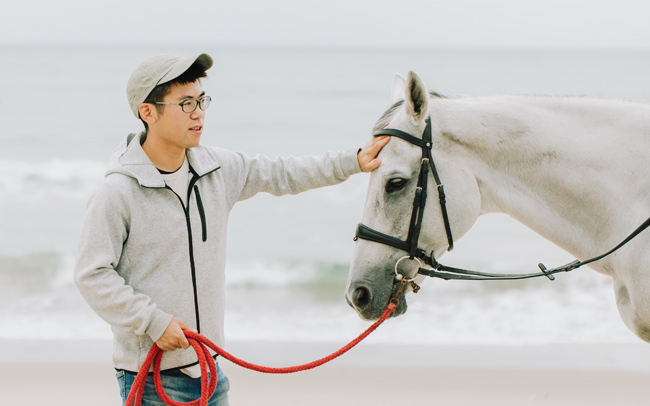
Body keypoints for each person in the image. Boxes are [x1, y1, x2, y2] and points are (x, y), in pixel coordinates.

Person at [73, 52, 389, 405]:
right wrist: (153, 322)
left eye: (201, 100)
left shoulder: (217, 169)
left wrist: (353, 161)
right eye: (185, 103)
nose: (198, 113)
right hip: (150, 380)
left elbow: (283, 173)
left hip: (211, 371)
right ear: (149, 112)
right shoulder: (117, 192)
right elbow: (92, 274)